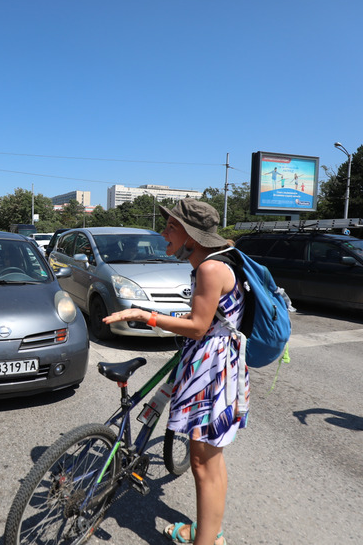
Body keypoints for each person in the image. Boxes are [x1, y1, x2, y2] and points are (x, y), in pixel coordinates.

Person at [103, 199, 245, 545]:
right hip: (217, 362)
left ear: (192, 237)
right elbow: (209, 320)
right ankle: (210, 533)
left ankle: (205, 542)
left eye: (170, 227)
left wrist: (142, 314)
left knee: (202, 462)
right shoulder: (214, 264)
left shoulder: (211, 270)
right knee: (211, 458)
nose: (163, 232)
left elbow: (198, 327)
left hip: (211, 370)